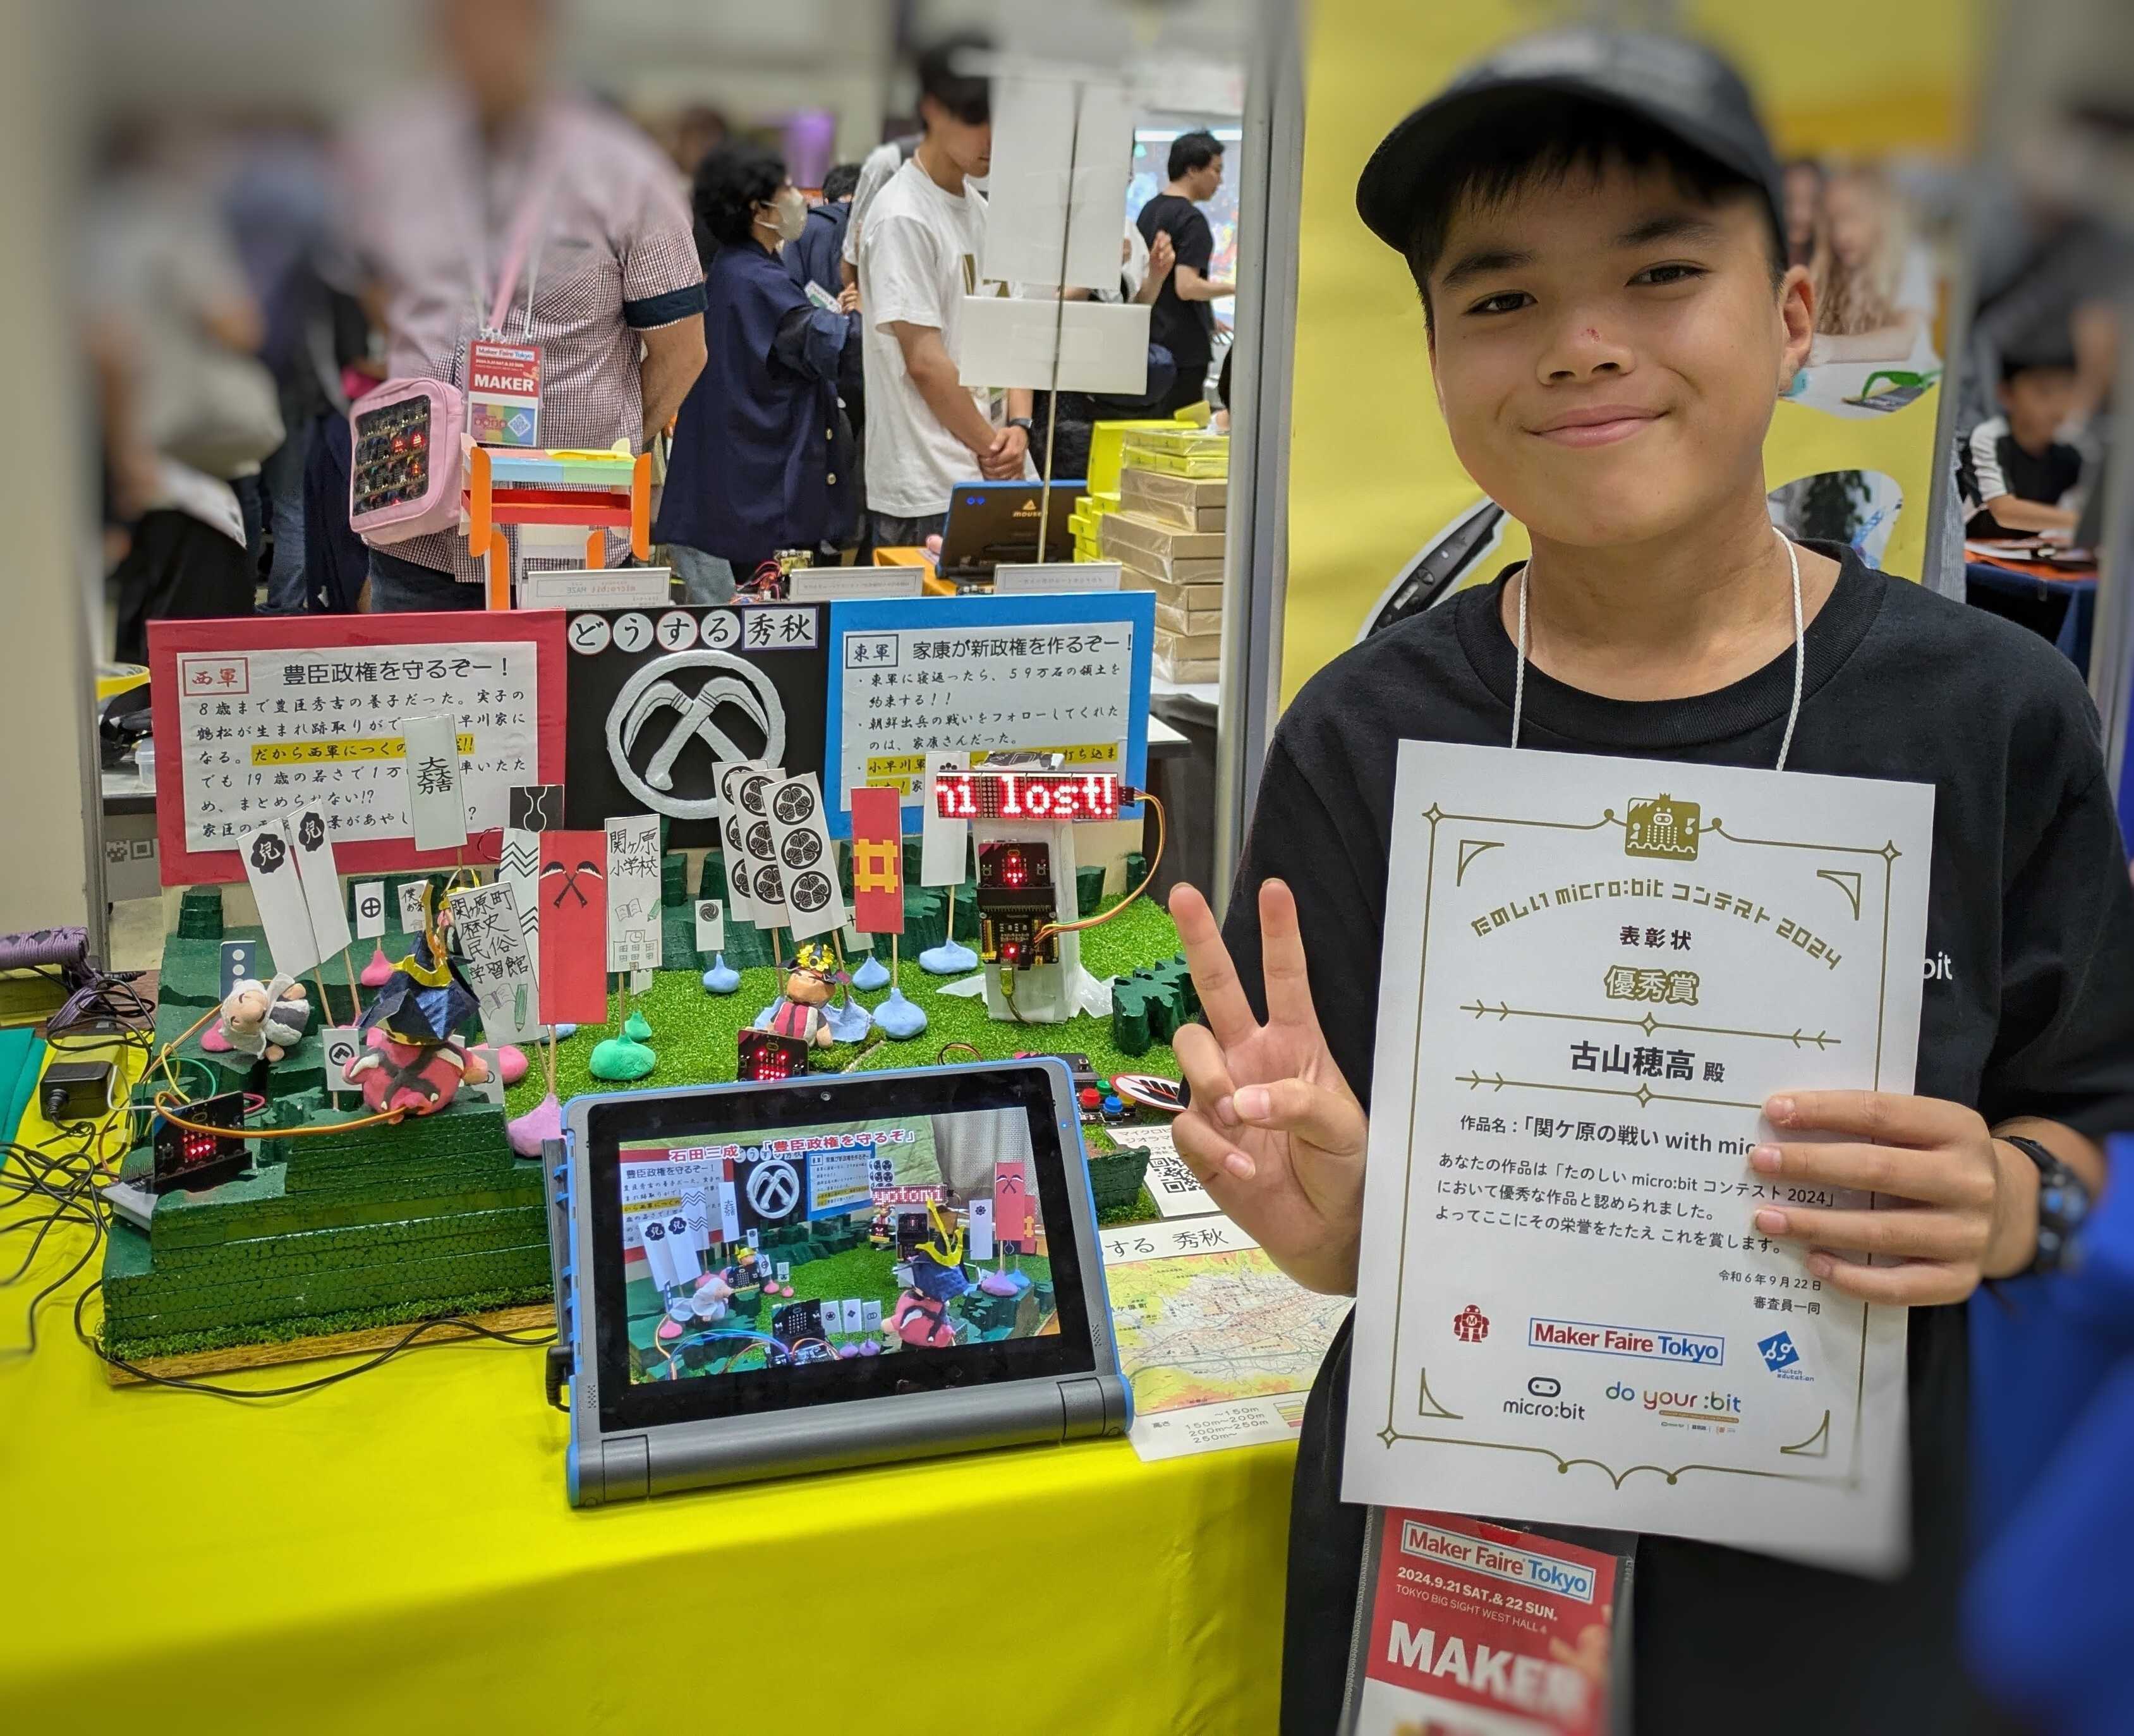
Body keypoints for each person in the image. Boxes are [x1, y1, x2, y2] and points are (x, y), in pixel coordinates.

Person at [1155, 28, 2133, 1736]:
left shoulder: (1995, 718)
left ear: (1795, 315)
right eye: (1503, 298)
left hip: (1851, 1618)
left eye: (1664, 272)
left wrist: (2010, 1196)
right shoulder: (1361, 736)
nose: (1583, 345)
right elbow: (1349, 1217)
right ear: (1447, 355)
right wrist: (1329, 1231)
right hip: (1460, 1599)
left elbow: (2093, 1126)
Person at [340, 0, 706, 610]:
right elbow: (377, 292)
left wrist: (607, 456)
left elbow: (682, 351)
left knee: (565, 709)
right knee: (420, 701)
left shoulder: (625, 175)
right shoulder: (394, 159)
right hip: (414, 539)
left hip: (568, 544)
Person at [855, 33, 1033, 550]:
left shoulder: (981, 213)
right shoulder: (901, 215)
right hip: (929, 484)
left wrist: (1018, 425)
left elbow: (1013, 335)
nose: (994, 139)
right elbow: (925, 362)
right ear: (933, 108)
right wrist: (994, 446)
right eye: (978, 119)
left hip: (997, 470)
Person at [656, 143, 857, 600]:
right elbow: (833, 347)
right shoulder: (755, 280)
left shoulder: (738, 270)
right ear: (755, 209)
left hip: (725, 501)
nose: (798, 199)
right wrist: (866, 309)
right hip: (745, 510)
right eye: (784, 188)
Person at [1137, 130, 1235, 415]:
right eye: (1216, 170)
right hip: (1184, 355)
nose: (1220, 180)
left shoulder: (1149, 210)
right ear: (1193, 170)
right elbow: (1187, 286)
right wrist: (1237, 287)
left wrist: (1207, 317)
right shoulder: (1192, 220)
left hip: (1153, 345)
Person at [1808, 165, 1936, 367]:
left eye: (1851, 216)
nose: (1839, 233)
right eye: (1832, 221)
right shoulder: (1834, 265)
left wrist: (1833, 348)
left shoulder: (1910, 260)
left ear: (1878, 215)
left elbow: (1903, 340)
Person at [1961, 346, 2085, 538]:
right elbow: (2005, 512)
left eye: (2067, 391)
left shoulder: (2070, 454)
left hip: (2032, 556)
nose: (2058, 405)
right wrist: (2082, 522)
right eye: (2045, 392)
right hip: (1974, 554)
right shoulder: (1989, 437)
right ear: (2006, 394)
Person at [788, 161, 861, 304]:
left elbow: (788, 286)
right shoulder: (875, 224)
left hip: (809, 321)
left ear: (825, 200)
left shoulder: (803, 225)